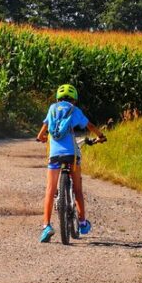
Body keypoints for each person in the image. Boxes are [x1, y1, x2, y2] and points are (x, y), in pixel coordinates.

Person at [35, 84, 106, 243]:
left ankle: (46, 226)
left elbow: (42, 132)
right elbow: (90, 126)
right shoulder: (75, 110)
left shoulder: (52, 109)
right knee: (78, 189)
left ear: (58, 98)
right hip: (71, 155)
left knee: (50, 190)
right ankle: (82, 223)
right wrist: (101, 136)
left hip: (54, 155)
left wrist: (42, 138)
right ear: (74, 99)